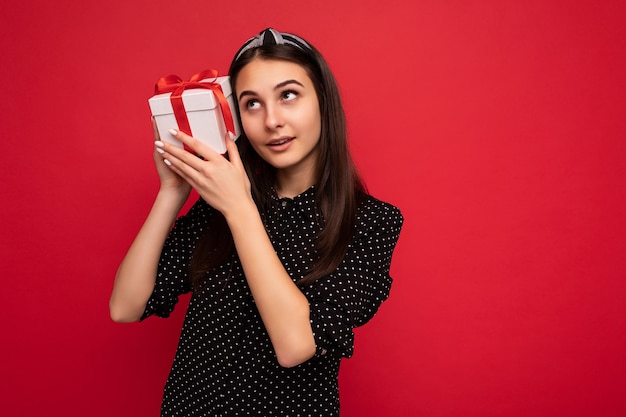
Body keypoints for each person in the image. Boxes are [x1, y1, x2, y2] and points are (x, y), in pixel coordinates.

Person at [109, 27, 403, 417]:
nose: (271, 120)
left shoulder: (372, 222)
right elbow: (126, 307)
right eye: (251, 104)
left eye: (288, 95)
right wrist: (172, 193)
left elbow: (296, 346)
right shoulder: (218, 204)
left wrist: (239, 208)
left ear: (323, 102)